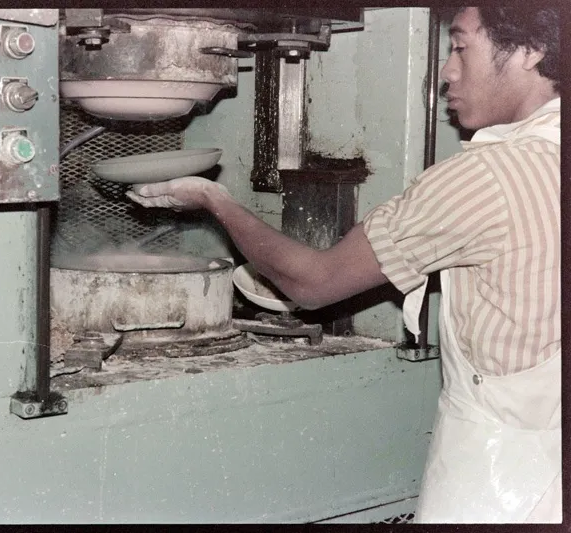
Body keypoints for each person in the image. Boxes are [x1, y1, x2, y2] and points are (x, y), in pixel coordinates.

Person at [127, 6, 561, 524]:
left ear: (531, 52)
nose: (446, 72)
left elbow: (313, 283)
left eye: (462, 47)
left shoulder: (487, 177)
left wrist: (214, 199)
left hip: (500, 481)